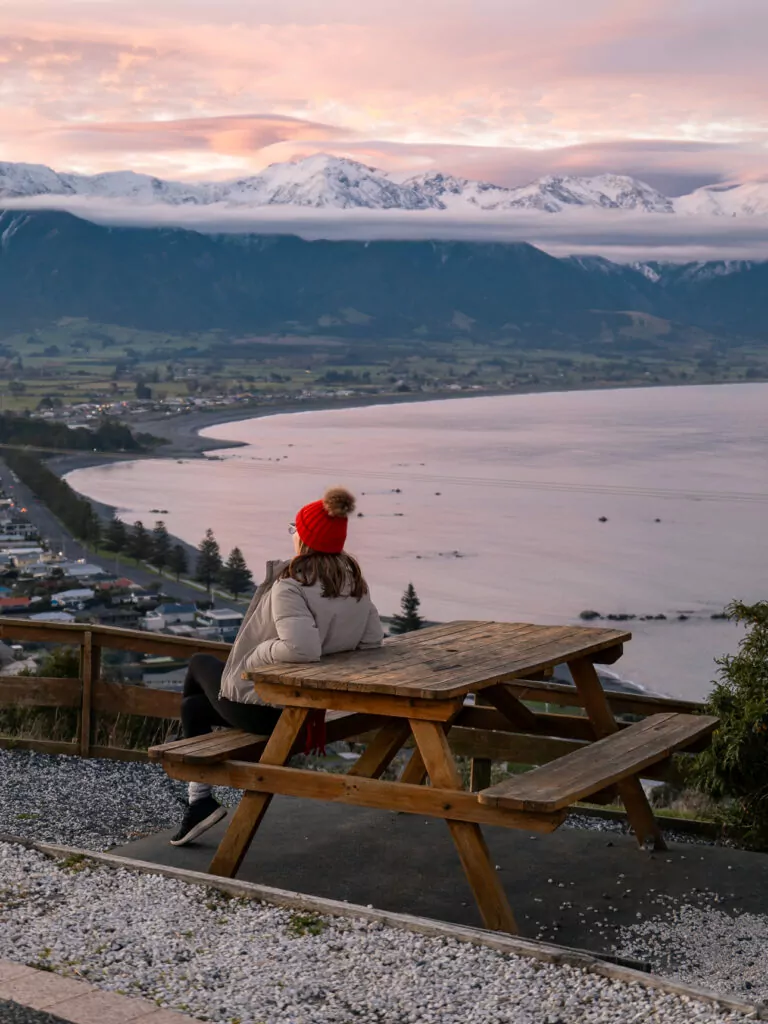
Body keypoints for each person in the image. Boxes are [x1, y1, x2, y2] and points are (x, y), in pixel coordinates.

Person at [170, 486, 384, 845]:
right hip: (310, 710)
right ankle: (198, 800)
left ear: (306, 539)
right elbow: (372, 640)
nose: (293, 534)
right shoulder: (354, 584)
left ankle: (187, 765)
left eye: (295, 528)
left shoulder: (292, 586)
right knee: (193, 706)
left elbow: (302, 648)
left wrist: (254, 659)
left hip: (271, 711)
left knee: (197, 662)